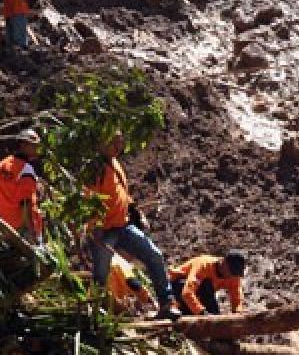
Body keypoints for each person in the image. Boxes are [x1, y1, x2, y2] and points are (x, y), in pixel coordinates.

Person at [86, 131, 177, 319]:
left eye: (120, 142)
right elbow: (89, 201)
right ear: (102, 144)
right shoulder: (95, 170)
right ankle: (95, 313)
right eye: (113, 142)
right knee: (101, 274)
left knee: (154, 255)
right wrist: (94, 228)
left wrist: (135, 211)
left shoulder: (116, 164)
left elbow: (122, 193)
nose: (118, 147)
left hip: (123, 226)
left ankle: (166, 303)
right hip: (104, 230)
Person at [0, 127, 44, 242]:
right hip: (21, 231)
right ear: (23, 145)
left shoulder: (3, 164)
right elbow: (25, 203)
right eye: (33, 145)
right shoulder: (26, 169)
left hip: (3, 227)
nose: (36, 149)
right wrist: (32, 233)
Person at [170, 252, 246, 316]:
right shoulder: (204, 265)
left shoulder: (233, 275)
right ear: (224, 263)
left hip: (200, 294)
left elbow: (236, 296)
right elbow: (187, 293)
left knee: (209, 294)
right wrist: (202, 313)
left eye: (235, 273)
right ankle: (179, 309)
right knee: (206, 285)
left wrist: (237, 312)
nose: (232, 276)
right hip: (177, 287)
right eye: (232, 271)